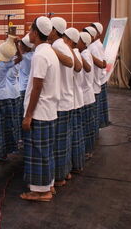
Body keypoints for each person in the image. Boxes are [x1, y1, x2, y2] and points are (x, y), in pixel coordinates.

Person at [21, 16, 60, 202]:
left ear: (36, 33)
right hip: (49, 110)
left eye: (29, 30)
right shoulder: (49, 51)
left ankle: (40, 192)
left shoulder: (40, 55)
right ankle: (48, 185)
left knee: (38, 152)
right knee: (46, 152)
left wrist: (28, 115)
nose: (28, 33)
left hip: (40, 112)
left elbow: (37, 87)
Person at [0, 38, 22, 165]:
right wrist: (16, 45)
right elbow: (19, 58)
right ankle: (5, 152)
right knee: (5, 127)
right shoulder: (3, 65)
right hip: (4, 96)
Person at [49, 17, 75, 187]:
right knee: (63, 141)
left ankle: (59, 177)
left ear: (54, 31)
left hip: (61, 101)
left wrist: (49, 50)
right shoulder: (63, 45)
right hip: (67, 99)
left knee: (58, 142)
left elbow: (71, 62)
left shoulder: (57, 46)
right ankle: (64, 173)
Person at [64, 28, 86, 173]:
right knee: (75, 135)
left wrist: (68, 49)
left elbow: (77, 67)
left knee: (73, 136)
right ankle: (76, 165)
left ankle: (75, 166)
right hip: (75, 99)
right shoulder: (76, 53)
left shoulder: (74, 53)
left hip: (73, 100)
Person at [84, 26, 106, 141]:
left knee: (91, 117)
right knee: (93, 117)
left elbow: (102, 64)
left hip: (93, 85)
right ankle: (94, 136)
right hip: (94, 85)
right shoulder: (92, 47)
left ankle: (93, 138)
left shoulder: (93, 48)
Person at [79, 32, 97, 158]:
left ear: (84, 43)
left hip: (85, 96)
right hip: (88, 95)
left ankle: (86, 152)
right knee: (87, 125)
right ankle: (88, 151)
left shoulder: (83, 56)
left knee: (85, 126)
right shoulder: (85, 54)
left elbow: (83, 76)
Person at [90, 22, 110, 128]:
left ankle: (101, 123)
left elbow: (102, 64)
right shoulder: (95, 45)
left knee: (98, 106)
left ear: (98, 33)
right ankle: (102, 122)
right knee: (100, 106)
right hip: (100, 79)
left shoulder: (94, 46)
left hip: (98, 79)